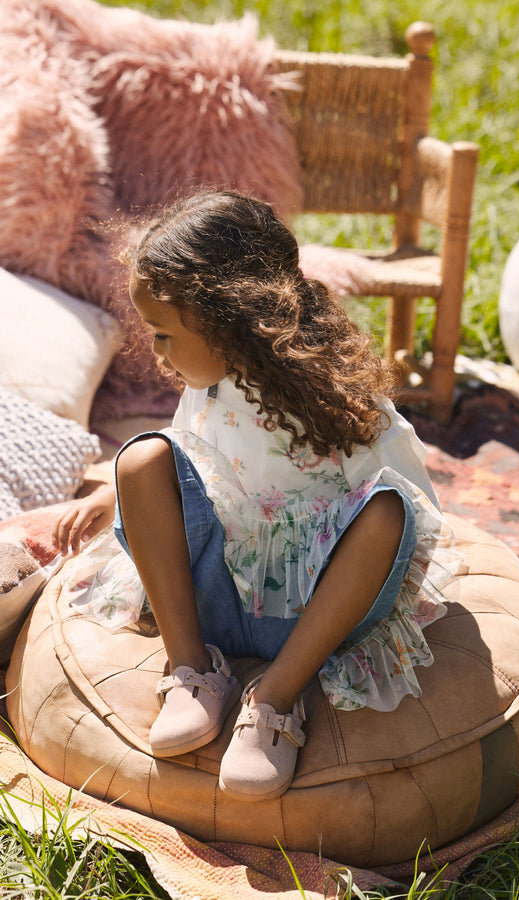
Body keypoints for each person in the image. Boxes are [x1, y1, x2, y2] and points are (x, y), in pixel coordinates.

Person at [53, 189, 460, 803]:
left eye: (163, 336)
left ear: (226, 322)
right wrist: (117, 497)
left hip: (314, 619)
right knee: (140, 456)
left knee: (387, 511)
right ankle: (192, 670)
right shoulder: (209, 385)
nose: (158, 355)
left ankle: (274, 699)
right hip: (214, 596)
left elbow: (415, 517)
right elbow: (187, 456)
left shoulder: (342, 402)